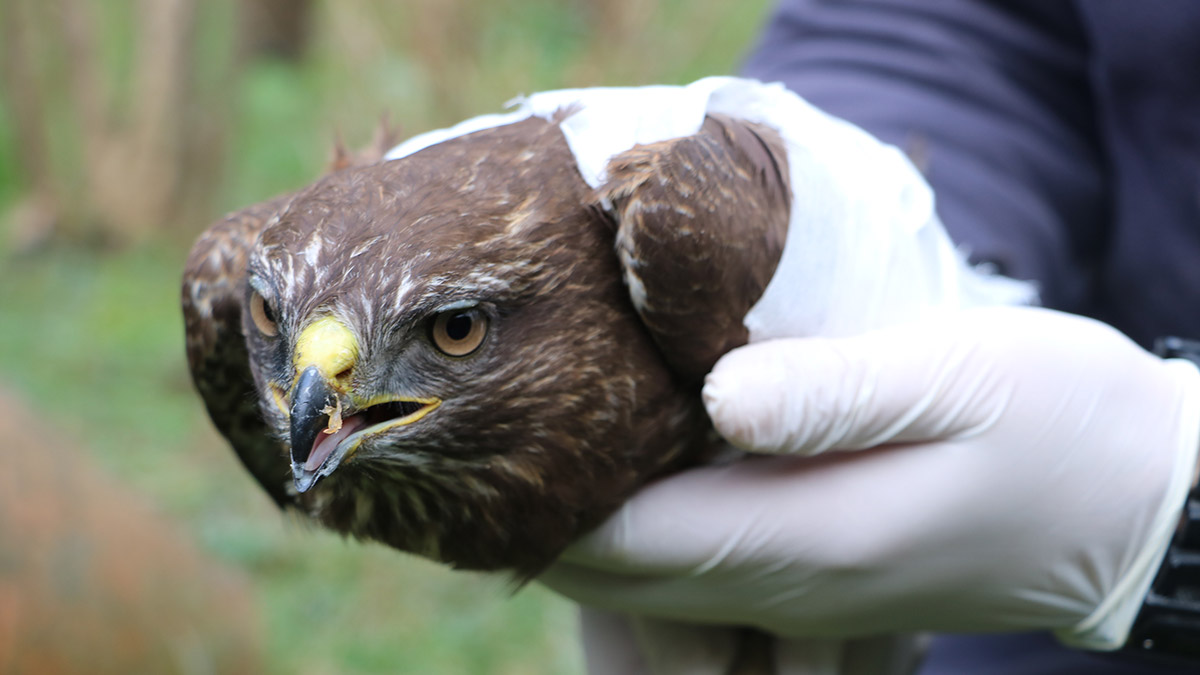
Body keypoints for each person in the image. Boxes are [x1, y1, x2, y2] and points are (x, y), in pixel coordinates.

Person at [539, 1, 1200, 673]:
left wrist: (1179, 509)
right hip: (1010, 538)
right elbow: (956, 25)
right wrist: (855, 251)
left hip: (1084, 496)